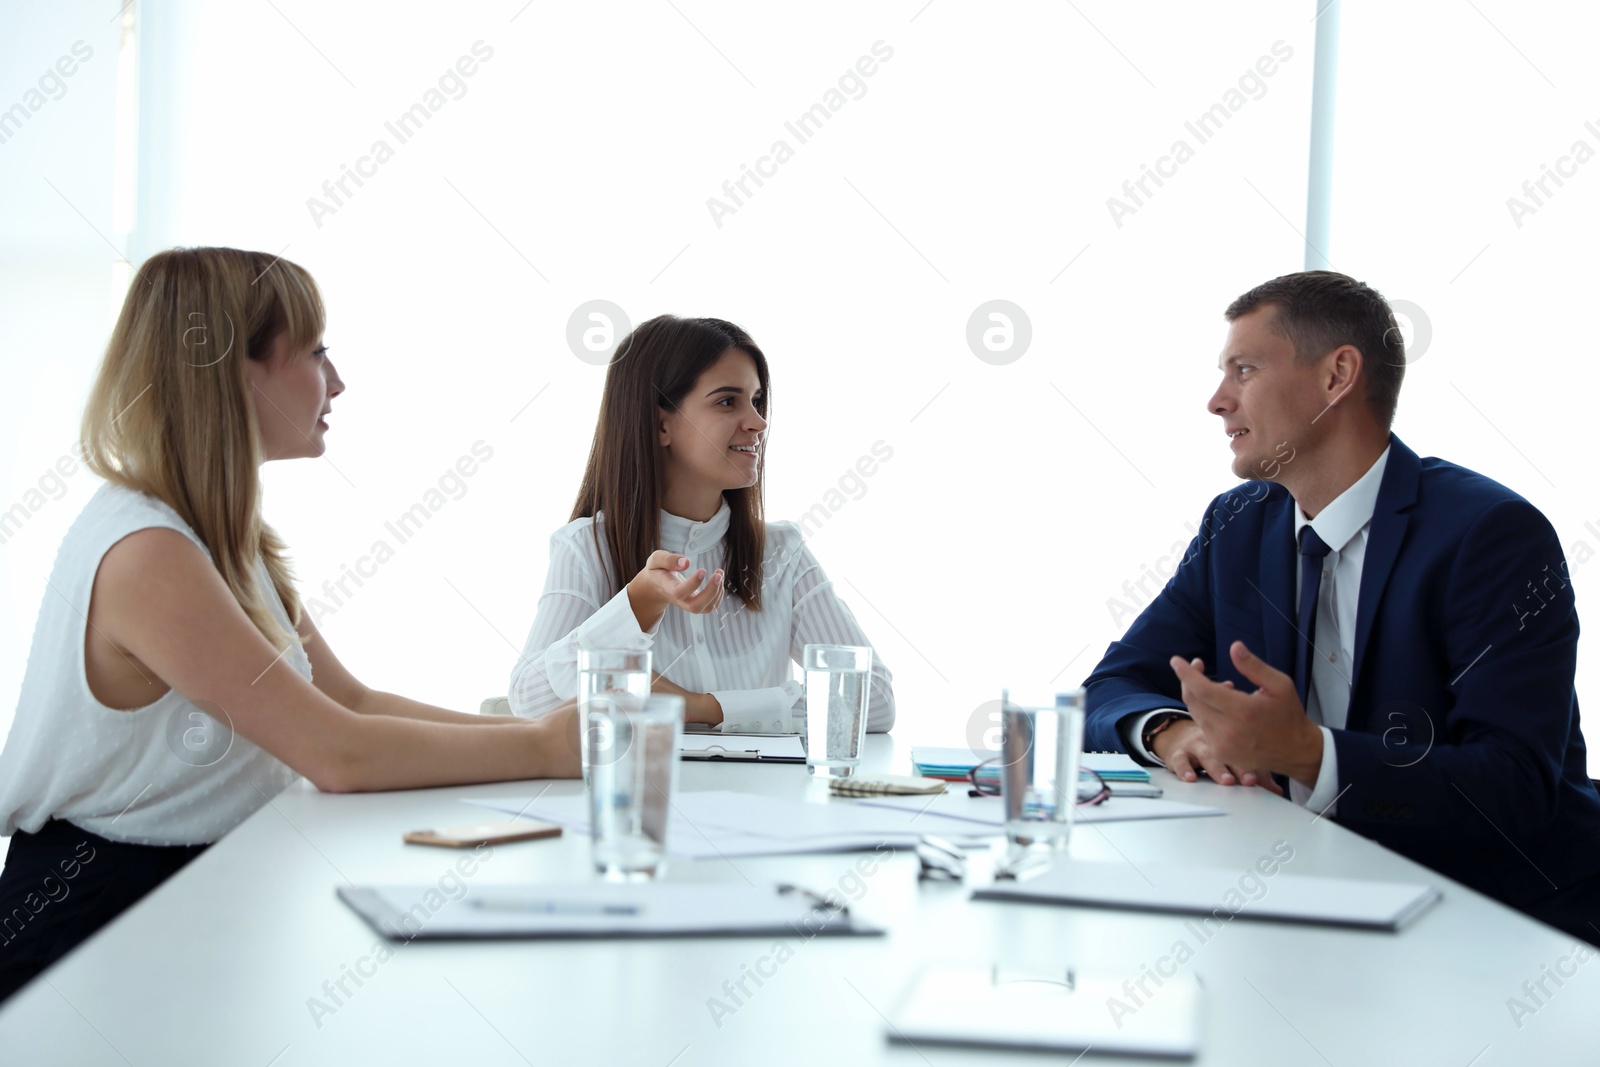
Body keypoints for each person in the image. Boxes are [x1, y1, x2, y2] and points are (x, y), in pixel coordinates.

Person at [0, 247, 579, 1003]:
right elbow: (334, 751)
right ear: (239, 374)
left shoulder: (225, 538)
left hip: (184, 896)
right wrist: (542, 747)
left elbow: (353, 703)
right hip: (93, 922)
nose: (337, 381)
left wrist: (548, 740)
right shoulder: (148, 552)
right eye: (316, 352)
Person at [1082, 270, 1600, 944]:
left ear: (1338, 376)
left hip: (1493, 921)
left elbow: (1514, 786)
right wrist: (1175, 733)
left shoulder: (1491, 533)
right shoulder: (1237, 523)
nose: (1217, 400)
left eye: (1244, 368)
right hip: (1304, 897)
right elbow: (1110, 688)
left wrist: (1308, 753)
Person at [509, 314, 894, 734]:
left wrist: (699, 707)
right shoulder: (586, 548)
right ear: (661, 424)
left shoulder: (782, 553)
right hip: (642, 797)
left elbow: (871, 700)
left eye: (757, 400)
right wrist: (638, 602)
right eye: (728, 401)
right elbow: (529, 703)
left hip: (766, 801)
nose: (758, 423)